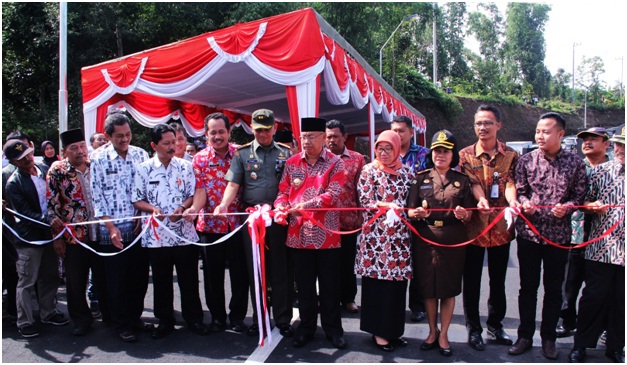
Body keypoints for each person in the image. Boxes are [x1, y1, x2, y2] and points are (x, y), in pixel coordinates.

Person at [509, 112, 587, 360]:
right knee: (527, 288)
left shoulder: (575, 163)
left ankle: (549, 338)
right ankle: (524, 336)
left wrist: (568, 207)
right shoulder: (526, 161)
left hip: (558, 236)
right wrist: (525, 203)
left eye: (546, 131)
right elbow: (519, 192)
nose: (540, 136)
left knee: (554, 289)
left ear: (561, 134)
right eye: (538, 131)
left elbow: (580, 197)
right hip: (529, 235)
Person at [215, 109, 293, 338]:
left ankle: (283, 319)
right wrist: (223, 205)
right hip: (253, 221)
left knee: (281, 271)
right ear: (252, 129)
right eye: (258, 129)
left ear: (274, 128)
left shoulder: (286, 154)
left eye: (267, 129)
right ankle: (260, 318)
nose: (263, 133)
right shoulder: (242, 154)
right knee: (256, 272)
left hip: (279, 219)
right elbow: (233, 185)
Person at [275, 117, 347, 349]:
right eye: (303, 137)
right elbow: (283, 191)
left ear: (323, 138)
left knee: (330, 287)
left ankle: (333, 329)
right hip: (298, 236)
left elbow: (332, 195)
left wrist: (304, 206)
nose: (305, 141)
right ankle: (306, 328)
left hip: (327, 236)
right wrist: (279, 206)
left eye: (311, 137)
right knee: (304, 287)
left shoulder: (336, 163)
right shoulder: (292, 163)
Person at [132, 124, 208, 339]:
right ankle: (164, 321)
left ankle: (194, 319)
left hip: (184, 234)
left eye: (174, 142)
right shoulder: (143, 169)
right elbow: (137, 199)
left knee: (189, 280)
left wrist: (183, 208)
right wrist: (153, 209)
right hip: (156, 238)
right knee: (162, 281)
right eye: (166, 143)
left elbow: (193, 194)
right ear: (154, 145)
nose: (172, 147)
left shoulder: (186, 166)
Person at [407, 130, 474, 357]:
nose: (440, 155)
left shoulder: (462, 181)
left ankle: (444, 333)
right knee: (427, 288)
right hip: (426, 238)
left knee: (448, 289)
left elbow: (469, 214)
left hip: (453, 238)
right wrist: (415, 212)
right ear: (432, 153)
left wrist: (464, 214)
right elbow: (409, 209)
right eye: (437, 151)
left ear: (452, 154)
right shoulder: (420, 178)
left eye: (445, 151)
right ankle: (431, 331)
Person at [458, 105, 519, 351]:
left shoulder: (512, 155)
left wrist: (513, 201)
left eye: (488, 123)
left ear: (498, 126)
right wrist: (481, 198)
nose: (482, 128)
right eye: (478, 124)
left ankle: (496, 324)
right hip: (474, 229)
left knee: (498, 281)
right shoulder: (465, 154)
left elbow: (510, 183)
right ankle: (474, 329)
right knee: (471, 281)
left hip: (501, 229)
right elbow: (471, 182)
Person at [90, 111, 153, 343]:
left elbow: (146, 190)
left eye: (127, 135)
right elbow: (98, 197)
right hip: (112, 231)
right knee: (116, 281)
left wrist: (142, 215)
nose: (125, 140)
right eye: (119, 136)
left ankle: (135, 317)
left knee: (138, 277)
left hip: (138, 229)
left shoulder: (140, 154)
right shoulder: (97, 158)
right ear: (108, 136)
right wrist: (111, 227)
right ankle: (122, 324)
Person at [187, 112, 249, 333]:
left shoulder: (241, 154)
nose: (218, 136)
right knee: (212, 275)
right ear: (206, 135)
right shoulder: (199, 159)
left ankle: (238, 316)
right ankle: (217, 317)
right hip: (210, 226)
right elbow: (201, 190)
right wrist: (194, 208)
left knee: (240, 274)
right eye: (213, 132)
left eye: (222, 131)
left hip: (237, 224)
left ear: (229, 132)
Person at [568, 127, 625, 364]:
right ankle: (581, 344)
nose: (620, 149)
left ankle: (615, 346)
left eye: (625, 145)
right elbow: (582, 200)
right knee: (593, 297)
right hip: (601, 247)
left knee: (621, 301)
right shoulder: (600, 172)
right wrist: (591, 205)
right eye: (619, 144)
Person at [46, 128, 108, 336]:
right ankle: (81, 320)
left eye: (82, 146)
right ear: (64, 152)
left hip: (100, 233)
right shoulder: (57, 171)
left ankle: (108, 314)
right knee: (76, 282)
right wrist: (57, 238)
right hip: (74, 238)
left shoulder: (96, 165)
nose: (80, 151)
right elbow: (51, 205)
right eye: (74, 148)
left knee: (104, 278)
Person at [4, 139, 69, 338]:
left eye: (29, 155)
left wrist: (53, 222)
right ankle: (24, 321)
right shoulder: (13, 183)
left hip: (49, 234)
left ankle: (48, 312)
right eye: (21, 159)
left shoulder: (43, 170)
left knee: (49, 276)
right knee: (26, 281)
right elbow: (22, 213)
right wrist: (48, 220)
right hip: (29, 239)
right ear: (14, 163)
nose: (27, 160)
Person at [355, 130, 413, 352]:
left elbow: (411, 201)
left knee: (397, 287)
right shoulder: (369, 171)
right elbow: (366, 200)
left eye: (389, 148)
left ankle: (394, 331)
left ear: (397, 148)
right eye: (380, 148)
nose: (384, 152)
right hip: (375, 240)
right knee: (377, 286)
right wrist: (387, 205)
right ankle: (378, 332)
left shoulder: (407, 173)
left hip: (400, 240)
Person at [557, 127, 611, 339]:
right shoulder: (577, 167)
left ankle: (603, 326)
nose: (587, 143)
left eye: (593, 140)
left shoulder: (616, 169)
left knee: (600, 287)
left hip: (606, 238)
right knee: (569, 283)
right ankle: (567, 321)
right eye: (585, 140)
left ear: (606, 143)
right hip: (576, 234)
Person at [390, 115, 430, 323]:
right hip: (392, 220)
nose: (397, 135)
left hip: (418, 218)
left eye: (401, 131)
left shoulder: (424, 155)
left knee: (417, 262)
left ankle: (417, 306)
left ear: (411, 133)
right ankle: (394, 305)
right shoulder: (386, 153)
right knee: (396, 262)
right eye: (394, 130)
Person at [325, 119, 365, 314]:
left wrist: (360, 214)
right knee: (327, 264)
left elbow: (361, 189)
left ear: (345, 137)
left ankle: (348, 298)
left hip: (348, 221)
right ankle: (327, 298)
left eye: (335, 136)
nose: (331, 140)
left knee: (348, 262)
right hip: (323, 222)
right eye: (328, 136)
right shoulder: (319, 158)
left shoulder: (357, 159)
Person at [2, 131, 33, 326]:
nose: (27, 158)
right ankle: (15, 313)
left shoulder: (37, 169)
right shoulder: (7, 175)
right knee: (14, 273)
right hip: (12, 232)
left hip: (30, 231)